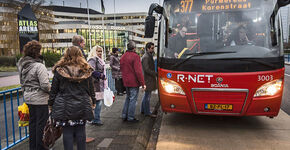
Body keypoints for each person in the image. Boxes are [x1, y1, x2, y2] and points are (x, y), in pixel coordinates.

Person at [48, 46, 96, 150]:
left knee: (67, 132)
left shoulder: (60, 70)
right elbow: (91, 88)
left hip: (64, 106)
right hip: (82, 104)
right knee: (81, 131)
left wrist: (51, 104)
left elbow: (54, 90)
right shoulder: (86, 69)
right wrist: (93, 102)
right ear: (80, 55)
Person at [18, 40, 50, 150]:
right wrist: (52, 92)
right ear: (37, 52)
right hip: (40, 99)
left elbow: (22, 82)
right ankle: (40, 147)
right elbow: (45, 85)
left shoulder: (22, 65)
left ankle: (33, 147)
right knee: (41, 125)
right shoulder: (39, 66)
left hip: (28, 98)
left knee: (33, 124)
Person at [120, 41, 146, 123]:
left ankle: (124, 115)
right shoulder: (135, 57)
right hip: (133, 82)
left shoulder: (123, 56)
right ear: (134, 48)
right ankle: (130, 117)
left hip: (126, 81)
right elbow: (138, 71)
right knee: (133, 100)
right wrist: (143, 83)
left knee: (128, 98)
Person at [87, 45, 107, 126]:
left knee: (97, 102)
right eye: (98, 51)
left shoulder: (100, 60)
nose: (100, 53)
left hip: (99, 84)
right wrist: (101, 76)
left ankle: (94, 119)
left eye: (101, 51)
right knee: (97, 102)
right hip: (94, 85)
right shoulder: (92, 59)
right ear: (94, 51)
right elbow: (91, 70)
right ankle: (95, 119)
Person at [141, 42, 157, 118]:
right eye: (152, 48)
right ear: (148, 48)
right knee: (147, 96)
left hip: (148, 79)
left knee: (146, 95)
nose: (153, 49)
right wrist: (155, 73)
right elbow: (146, 69)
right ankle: (147, 112)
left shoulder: (147, 56)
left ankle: (143, 110)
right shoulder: (146, 57)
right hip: (148, 79)